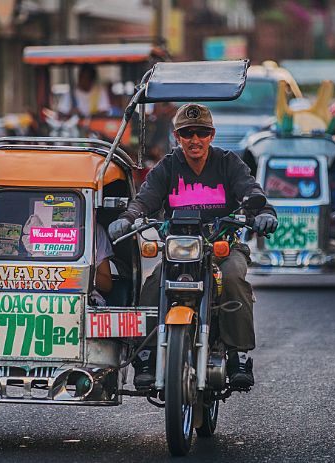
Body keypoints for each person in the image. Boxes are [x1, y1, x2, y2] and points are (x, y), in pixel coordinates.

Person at [107, 103, 278, 389]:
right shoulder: (168, 167)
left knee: (235, 277)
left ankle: (238, 355)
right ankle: (147, 355)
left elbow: (252, 191)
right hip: (179, 250)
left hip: (223, 248)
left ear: (212, 135)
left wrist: (264, 213)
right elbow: (145, 199)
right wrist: (127, 218)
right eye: (187, 133)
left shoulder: (228, 162)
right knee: (152, 286)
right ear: (177, 136)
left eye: (201, 132)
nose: (194, 139)